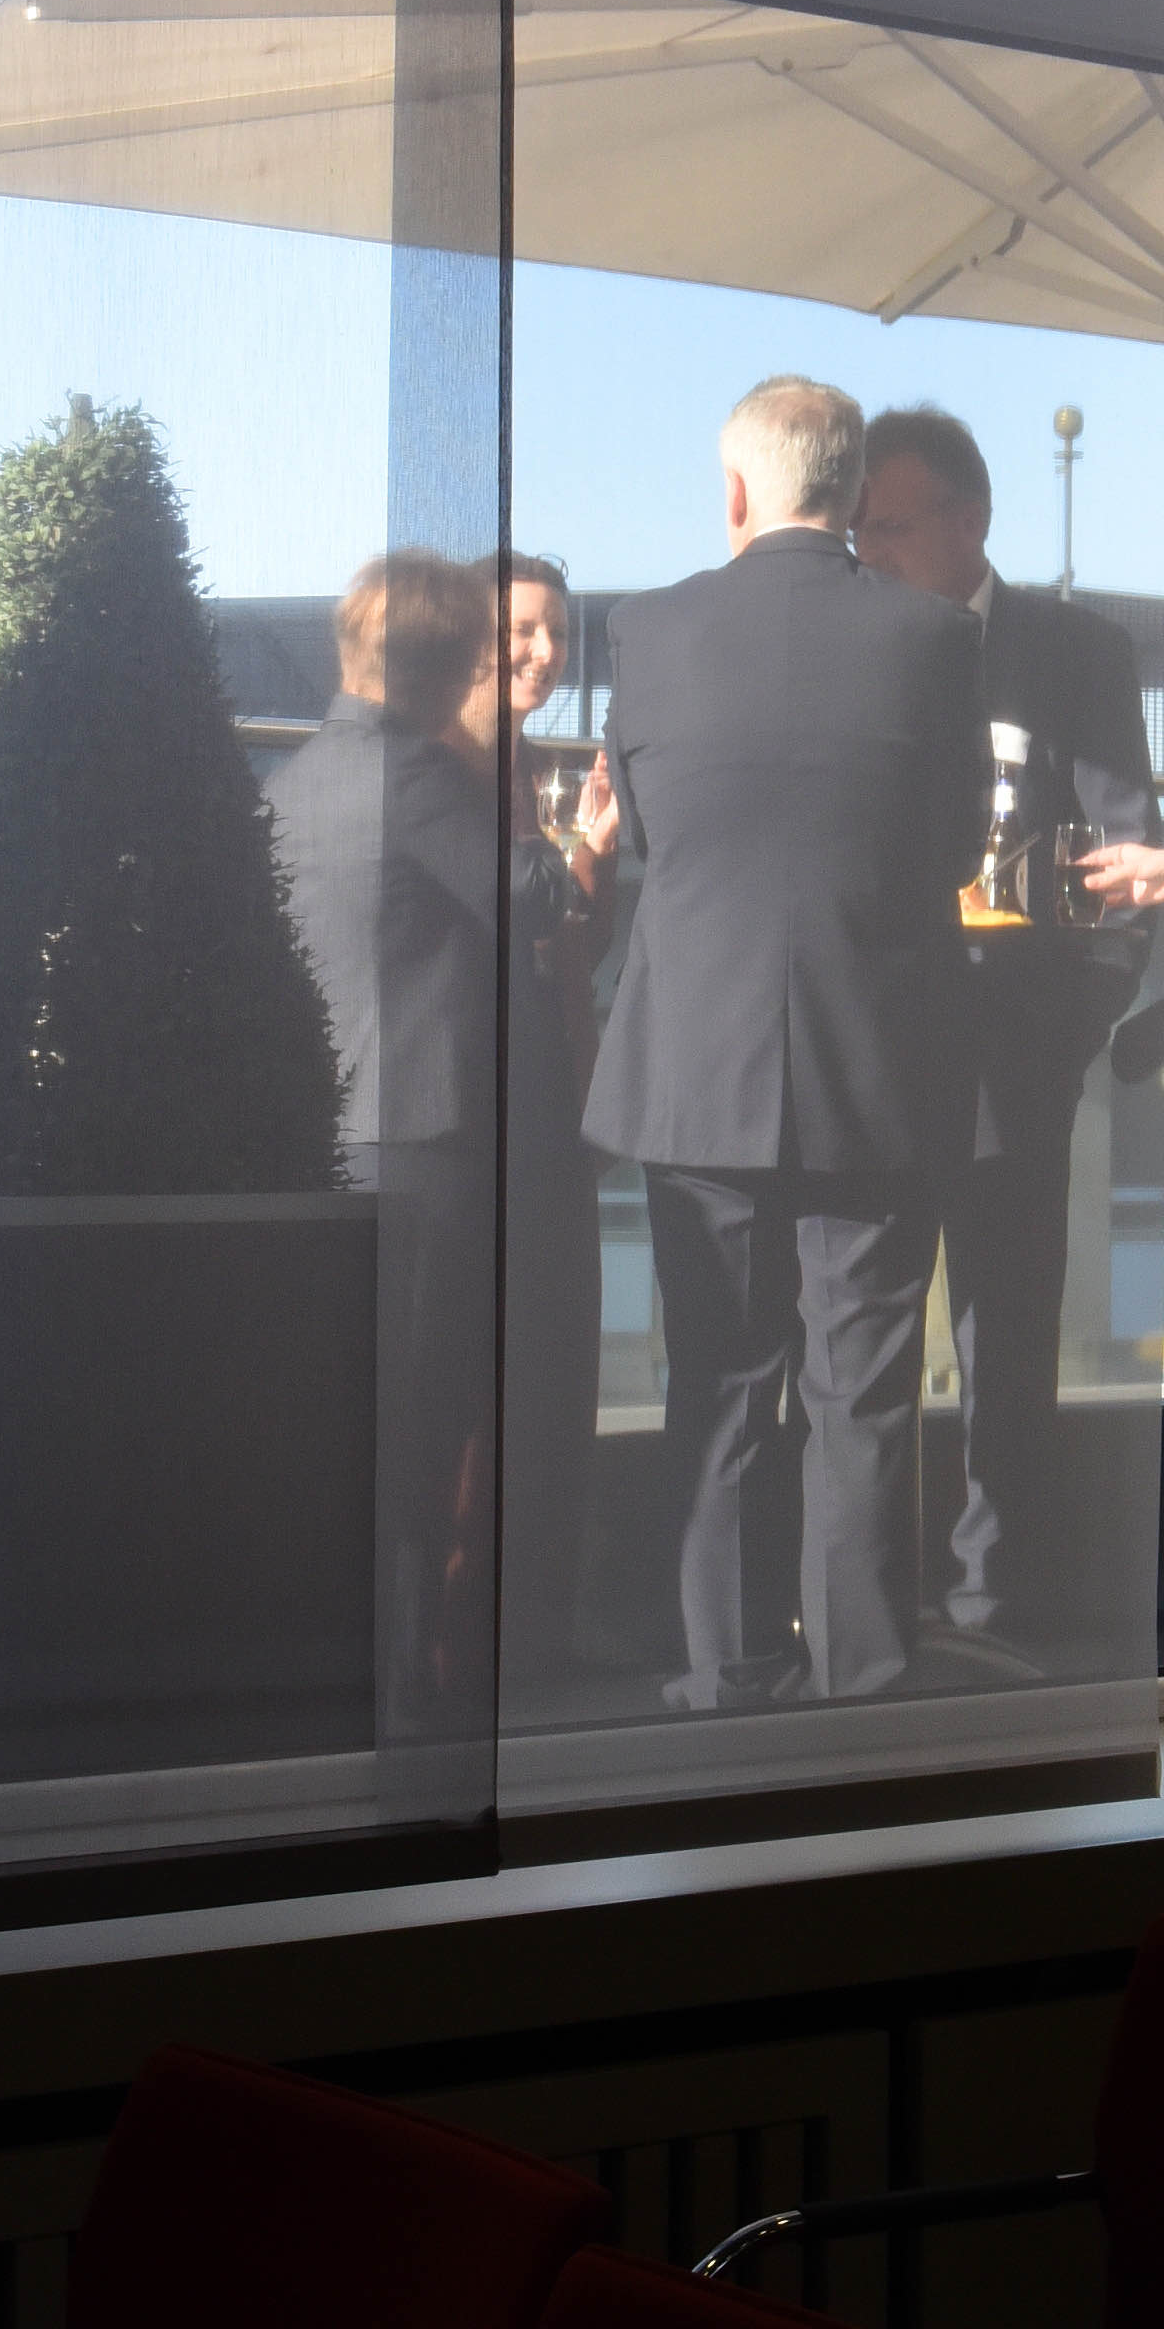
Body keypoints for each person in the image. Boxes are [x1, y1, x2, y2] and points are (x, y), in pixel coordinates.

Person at [583, 377, 989, 1712]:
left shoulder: (648, 629)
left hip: (695, 1069)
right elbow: (958, 847)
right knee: (859, 1395)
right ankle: (861, 1683)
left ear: (735, 491)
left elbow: (645, 836)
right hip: (873, 1070)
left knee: (717, 1383)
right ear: (856, 492)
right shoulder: (932, 638)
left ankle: (727, 1672)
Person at [854, 405, 1162, 1662]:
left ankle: (996, 1606)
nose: (866, 549)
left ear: (970, 520)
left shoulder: (1074, 653)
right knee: (858, 1349)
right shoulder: (850, 641)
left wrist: (1071, 1027)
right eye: (857, 527)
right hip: (870, 1054)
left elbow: (1125, 853)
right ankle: (868, 1613)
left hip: (1014, 1056)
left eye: (889, 524)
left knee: (1009, 1343)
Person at [266, 551, 501, 1720]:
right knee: (424, 1416)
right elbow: (531, 897)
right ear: (453, 673)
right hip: (423, 1131)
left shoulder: (293, 778)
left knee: (350, 1413)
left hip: (328, 1132)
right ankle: (409, 1682)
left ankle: (347, 1668)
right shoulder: (421, 778)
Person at [459, 558, 621, 1684]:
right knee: (507, 1378)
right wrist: (578, 863)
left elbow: (570, 941)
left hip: (551, 1103)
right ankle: (489, 1641)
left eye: (556, 632)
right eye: (521, 629)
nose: (544, 652)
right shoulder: (451, 762)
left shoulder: (518, 762)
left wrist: (592, 852)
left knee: (559, 1370)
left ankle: (540, 1629)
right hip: (492, 1112)